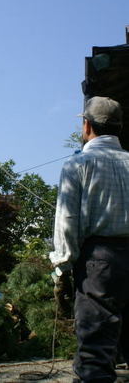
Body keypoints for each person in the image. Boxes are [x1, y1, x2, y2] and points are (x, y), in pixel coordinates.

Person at [50, 96, 129, 383]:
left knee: (95, 355)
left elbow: (67, 223)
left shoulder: (78, 165)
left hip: (100, 265)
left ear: (86, 126)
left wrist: (62, 266)